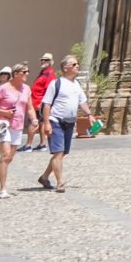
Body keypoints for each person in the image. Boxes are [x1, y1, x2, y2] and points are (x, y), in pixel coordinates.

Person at [39, 56, 87, 193]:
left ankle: (44, 177)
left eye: (77, 63)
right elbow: (46, 104)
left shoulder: (76, 84)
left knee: (61, 153)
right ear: (65, 68)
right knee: (58, 152)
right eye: (74, 64)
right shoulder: (56, 83)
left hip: (69, 123)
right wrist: (47, 123)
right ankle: (60, 182)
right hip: (56, 121)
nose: (77, 66)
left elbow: (82, 101)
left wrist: (89, 115)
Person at [0, 62, 29, 198]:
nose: (27, 74)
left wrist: (34, 119)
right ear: (16, 74)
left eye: (27, 72)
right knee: (5, 155)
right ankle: (3, 189)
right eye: (24, 72)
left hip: (18, 126)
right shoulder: (3, 89)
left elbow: (29, 106)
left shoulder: (26, 89)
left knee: (8, 158)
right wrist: (5, 112)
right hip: (4, 125)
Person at [24, 54, 56, 152]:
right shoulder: (43, 72)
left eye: (46, 60)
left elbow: (48, 90)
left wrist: (41, 104)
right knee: (41, 123)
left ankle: (28, 145)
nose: (43, 61)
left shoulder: (49, 73)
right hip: (35, 102)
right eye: (42, 60)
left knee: (32, 122)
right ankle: (42, 144)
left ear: (50, 62)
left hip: (39, 103)